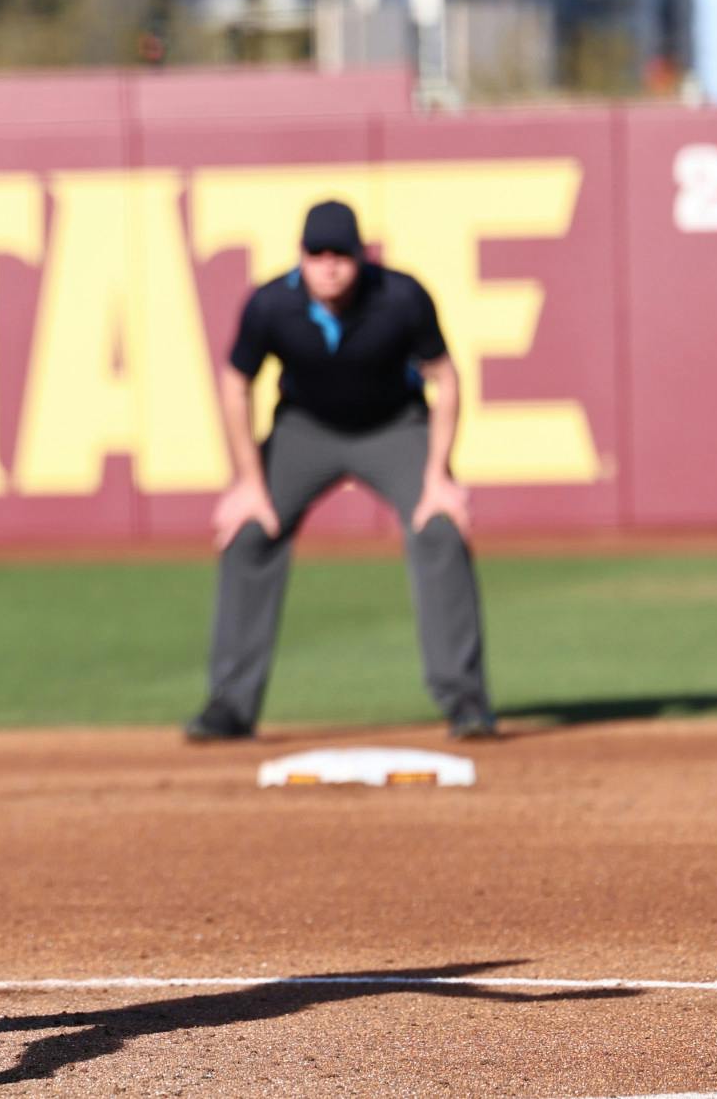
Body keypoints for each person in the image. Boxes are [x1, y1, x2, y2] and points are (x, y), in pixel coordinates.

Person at [186, 200, 497, 742]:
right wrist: (248, 483)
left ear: (361, 257)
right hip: (304, 430)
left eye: (341, 255)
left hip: (393, 427)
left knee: (440, 527)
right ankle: (230, 706)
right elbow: (236, 383)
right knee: (248, 531)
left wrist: (438, 477)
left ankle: (466, 701)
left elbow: (444, 378)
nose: (329, 266)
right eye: (317, 254)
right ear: (300, 257)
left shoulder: (400, 297)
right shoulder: (270, 305)